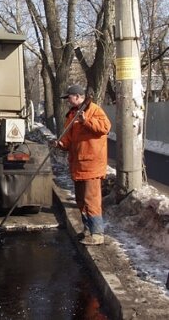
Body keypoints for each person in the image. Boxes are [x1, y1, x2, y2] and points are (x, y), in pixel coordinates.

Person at [51, 85, 111, 245]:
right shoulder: (72, 114)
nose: (67, 101)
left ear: (77, 96)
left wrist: (87, 121)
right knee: (80, 200)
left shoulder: (94, 110)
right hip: (77, 164)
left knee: (91, 199)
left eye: (69, 98)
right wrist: (60, 144)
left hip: (92, 163)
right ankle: (87, 230)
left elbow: (105, 128)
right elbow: (68, 139)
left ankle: (97, 234)